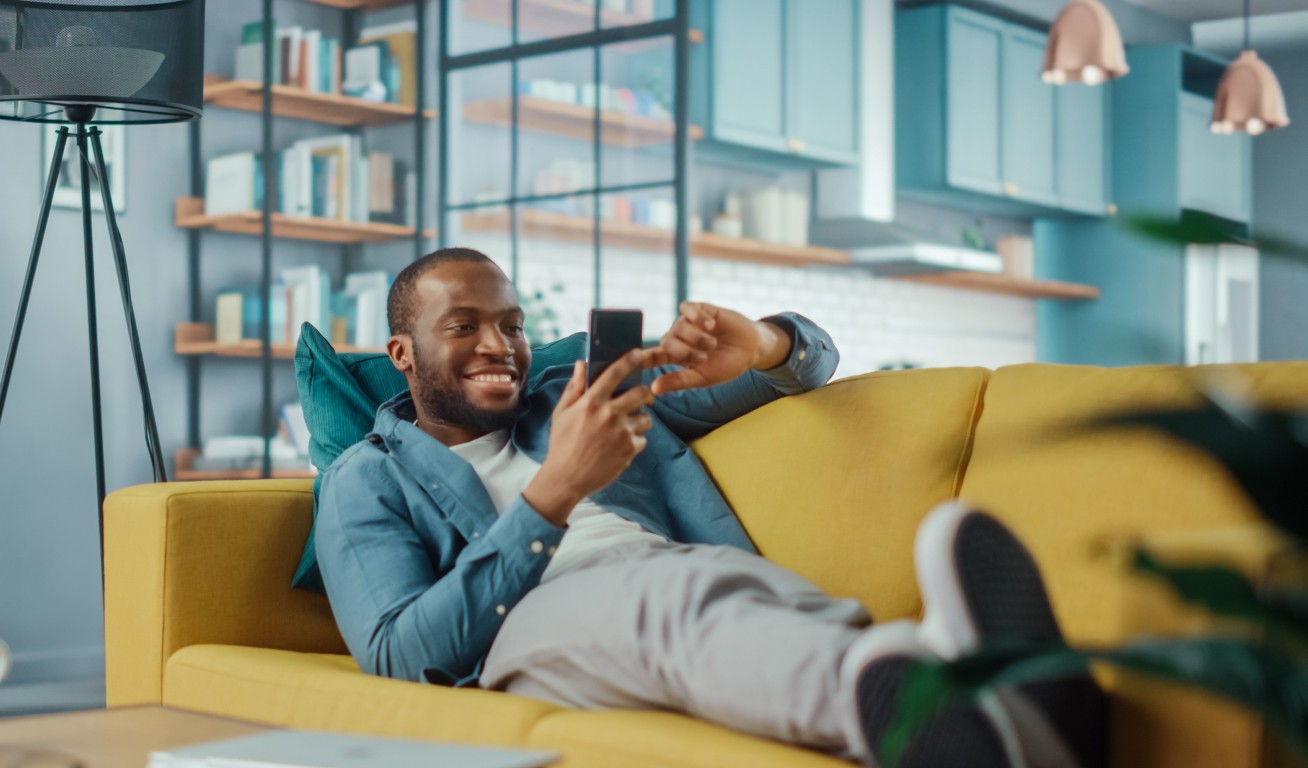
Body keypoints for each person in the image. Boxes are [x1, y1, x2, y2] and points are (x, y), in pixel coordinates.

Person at [315, 247, 1106, 768]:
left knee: (760, 600)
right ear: (403, 354)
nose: (501, 344)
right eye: (464, 327)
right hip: (531, 620)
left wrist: (760, 346)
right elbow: (397, 652)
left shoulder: (583, 393)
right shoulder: (367, 477)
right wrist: (553, 492)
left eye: (512, 325)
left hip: (687, 569)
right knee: (666, 606)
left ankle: (996, 709)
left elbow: (810, 363)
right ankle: (911, 717)